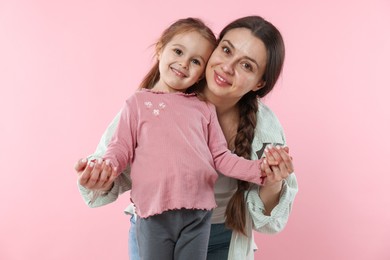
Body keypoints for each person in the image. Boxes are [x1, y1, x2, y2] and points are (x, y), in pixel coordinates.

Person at [76, 15, 298, 260]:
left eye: (247, 66)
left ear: (259, 83)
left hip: (222, 236)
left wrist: (271, 177)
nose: (227, 67)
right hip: (154, 222)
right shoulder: (152, 101)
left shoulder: (262, 125)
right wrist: (100, 174)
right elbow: (115, 153)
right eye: (226, 50)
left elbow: (268, 216)